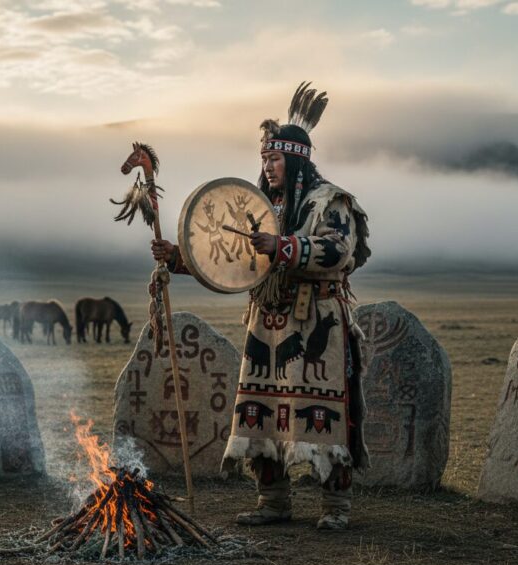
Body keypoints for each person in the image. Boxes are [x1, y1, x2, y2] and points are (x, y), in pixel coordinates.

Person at [151, 82, 371, 530]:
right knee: (260, 415)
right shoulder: (259, 208)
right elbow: (235, 264)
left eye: (274, 159)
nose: (267, 167)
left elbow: (339, 251)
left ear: (295, 160)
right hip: (266, 325)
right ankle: (272, 501)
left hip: (317, 324)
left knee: (323, 417)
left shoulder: (329, 202)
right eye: (264, 160)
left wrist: (285, 245)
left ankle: (335, 508)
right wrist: (179, 258)